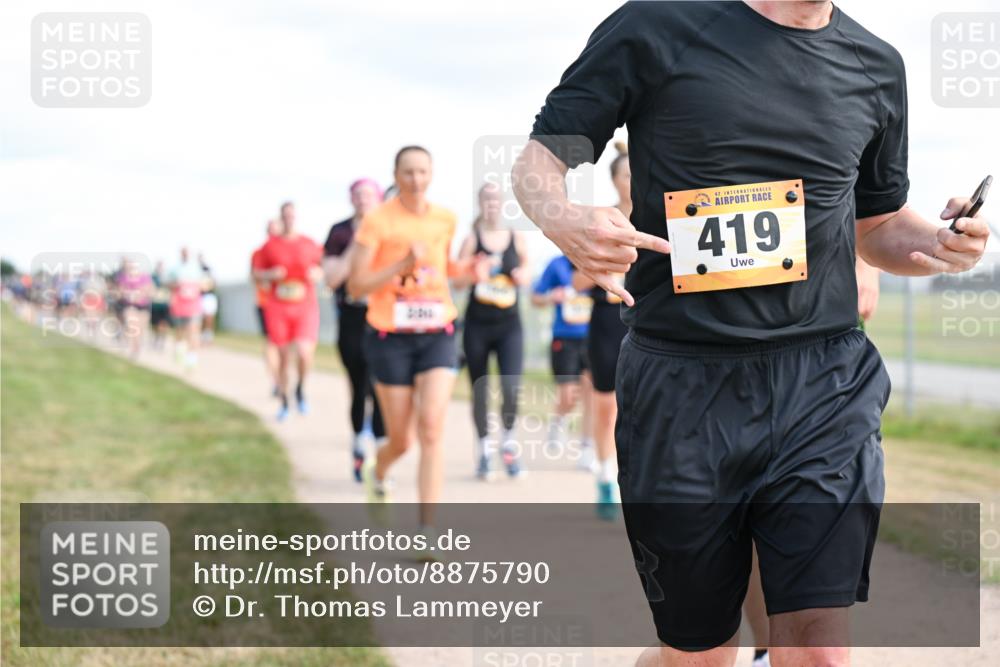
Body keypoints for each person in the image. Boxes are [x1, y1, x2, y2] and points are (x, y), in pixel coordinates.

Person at [511, 2, 990, 666]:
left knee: (817, 650)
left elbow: (876, 226)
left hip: (822, 383)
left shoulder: (875, 64)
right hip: (682, 385)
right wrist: (562, 218)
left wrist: (939, 243)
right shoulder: (658, 25)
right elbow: (538, 162)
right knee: (699, 654)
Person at [347, 145, 486, 543]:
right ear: (395, 174)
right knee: (403, 440)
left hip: (437, 331)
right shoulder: (377, 221)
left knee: (431, 428)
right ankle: (379, 471)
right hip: (390, 336)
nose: (416, 180)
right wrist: (399, 264)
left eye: (423, 171)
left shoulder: (445, 219)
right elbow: (357, 285)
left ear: (432, 173)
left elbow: (443, 273)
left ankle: (427, 530)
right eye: (408, 172)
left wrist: (467, 271)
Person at [452, 182, 529, 480]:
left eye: (496, 199)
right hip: (477, 326)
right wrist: (473, 272)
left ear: (503, 203)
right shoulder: (472, 239)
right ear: (480, 203)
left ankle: (508, 445)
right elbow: (456, 282)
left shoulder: (516, 237)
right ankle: (484, 449)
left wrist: (523, 274)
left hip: (510, 326)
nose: (492, 204)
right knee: (480, 390)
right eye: (487, 199)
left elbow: (526, 270)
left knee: (510, 387)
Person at [570, 141, 630, 518]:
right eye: (626, 174)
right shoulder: (599, 218)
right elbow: (578, 280)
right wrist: (604, 260)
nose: (632, 181)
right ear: (614, 179)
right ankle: (607, 476)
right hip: (607, 320)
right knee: (607, 407)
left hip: (651, 318)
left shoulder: (662, 214)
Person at [324, 179, 387, 482]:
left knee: (382, 386)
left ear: (378, 199)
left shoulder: (390, 228)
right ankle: (359, 443)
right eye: (358, 195)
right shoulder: (339, 233)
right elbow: (332, 279)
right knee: (359, 384)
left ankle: (379, 451)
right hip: (352, 315)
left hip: (383, 316)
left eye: (369, 195)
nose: (363, 200)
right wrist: (358, 244)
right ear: (351, 199)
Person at [252, 201, 324, 421]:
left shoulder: (310, 243)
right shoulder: (269, 247)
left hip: (305, 304)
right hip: (278, 306)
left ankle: (300, 388)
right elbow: (255, 274)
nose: (289, 218)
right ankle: (284, 400)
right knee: (283, 357)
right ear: (281, 217)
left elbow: (324, 266)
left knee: (304, 352)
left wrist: (317, 274)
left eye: (292, 215)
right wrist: (269, 275)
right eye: (285, 215)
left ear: (297, 217)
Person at [532, 255, 595, 471]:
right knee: (568, 395)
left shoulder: (594, 260)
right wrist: (552, 297)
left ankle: (587, 450)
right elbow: (535, 297)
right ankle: (558, 420)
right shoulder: (556, 265)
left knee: (592, 394)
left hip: (593, 335)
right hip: (564, 337)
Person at [251, 219, 282, 395]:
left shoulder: (289, 251)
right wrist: (271, 275)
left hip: (288, 306)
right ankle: (276, 380)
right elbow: (254, 276)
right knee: (271, 343)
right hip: (266, 304)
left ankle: (283, 377)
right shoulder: (259, 252)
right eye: (271, 231)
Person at [166, 247, 207, 370]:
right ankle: (179, 348)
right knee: (180, 331)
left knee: (193, 331)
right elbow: (168, 283)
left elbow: (205, 284)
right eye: (183, 252)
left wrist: (200, 286)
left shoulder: (197, 268)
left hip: (194, 305)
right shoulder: (174, 269)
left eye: (187, 252)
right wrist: (177, 284)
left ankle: (191, 359)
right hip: (179, 305)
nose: (185, 254)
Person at [116, 258, 153, 359]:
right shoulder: (123, 277)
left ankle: (136, 346)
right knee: (132, 326)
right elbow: (121, 291)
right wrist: (128, 295)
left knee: (140, 329)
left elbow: (149, 290)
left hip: (144, 306)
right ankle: (134, 349)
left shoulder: (144, 277)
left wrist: (140, 295)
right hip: (130, 306)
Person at [149, 261, 171, 350]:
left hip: (164, 304)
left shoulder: (167, 278)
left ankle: (161, 340)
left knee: (164, 323)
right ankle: (156, 338)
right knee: (155, 324)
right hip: (155, 304)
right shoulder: (153, 277)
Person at [198, 253, 218, 344]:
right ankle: (201, 336)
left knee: (210, 318)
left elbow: (213, 283)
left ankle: (209, 336)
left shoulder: (208, 269)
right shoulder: (196, 270)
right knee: (201, 318)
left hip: (209, 296)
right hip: (200, 296)